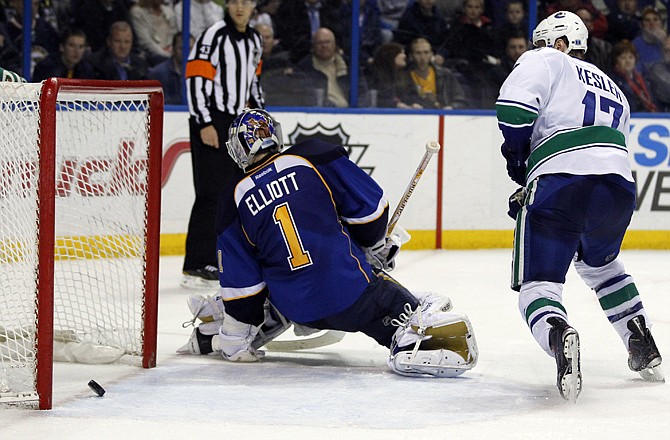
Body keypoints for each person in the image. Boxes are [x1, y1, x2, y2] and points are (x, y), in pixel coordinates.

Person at [177, 108, 479, 378]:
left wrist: (235, 332)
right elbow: (372, 212)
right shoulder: (313, 156)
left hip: (296, 308)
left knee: (272, 279)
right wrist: (373, 246)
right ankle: (410, 336)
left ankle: (215, 331)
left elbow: (243, 287)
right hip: (350, 295)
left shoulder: (232, 200)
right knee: (411, 313)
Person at [495, 11, 664, 401]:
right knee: (602, 265)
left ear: (558, 43)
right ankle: (641, 339)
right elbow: (607, 148)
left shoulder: (546, 59)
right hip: (618, 188)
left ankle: (559, 334)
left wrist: (519, 163)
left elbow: (515, 110)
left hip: (561, 180)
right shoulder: (615, 88)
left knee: (538, 284)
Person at [181, 0, 265, 289]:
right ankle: (195, 263)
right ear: (227, 5)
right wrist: (204, 122)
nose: (240, 7)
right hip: (211, 119)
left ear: (254, 6)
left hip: (237, 122)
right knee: (210, 192)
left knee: (234, 192)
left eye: (246, 2)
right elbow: (195, 79)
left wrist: (259, 116)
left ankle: (223, 257)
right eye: (235, 2)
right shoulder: (213, 35)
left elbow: (254, 81)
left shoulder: (254, 39)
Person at [295, 27, 369, 107]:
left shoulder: (350, 65)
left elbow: (362, 92)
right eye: (319, 43)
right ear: (313, 46)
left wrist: (354, 112)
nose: (324, 46)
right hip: (322, 115)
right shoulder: (305, 68)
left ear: (334, 44)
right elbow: (310, 98)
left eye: (327, 42)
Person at [406, 37, 469, 109]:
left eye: (426, 52)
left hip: (444, 115)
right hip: (416, 117)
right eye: (418, 53)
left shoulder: (445, 74)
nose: (422, 57)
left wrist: (451, 107)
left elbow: (460, 100)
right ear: (411, 56)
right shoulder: (403, 77)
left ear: (431, 54)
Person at [366, 41, 423, 108]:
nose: (404, 56)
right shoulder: (375, 75)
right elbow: (376, 99)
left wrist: (414, 103)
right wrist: (396, 105)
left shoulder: (404, 75)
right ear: (391, 55)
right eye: (401, 53)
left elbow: (413, 94)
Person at [609, 39, 657, 112]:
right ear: (616, 61)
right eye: (623, 58)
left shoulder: (642, 79)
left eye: (630, 57)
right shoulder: (612, 80)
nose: (628, 61)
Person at [147, 32, 193, 105]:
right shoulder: (158, 73)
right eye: (182, 48)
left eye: (190, 49)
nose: (186, 53)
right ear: (173, 49)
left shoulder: (197, 75)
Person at [129, 0, 178, 66]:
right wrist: (166, 55)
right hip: (151, 57)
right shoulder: (137, 12)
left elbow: (174, 34)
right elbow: (146, 42)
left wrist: (172, 52)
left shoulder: (169, 11)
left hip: (170, 53)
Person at [576, 7, 613, 71]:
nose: (583, 23)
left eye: (587, 20)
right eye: (580, 19)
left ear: (592, 25)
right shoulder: (563, 45)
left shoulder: (604, 47)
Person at [632, 6, 665, 75]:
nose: (652, 23)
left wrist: (664, 42)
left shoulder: (667, 43)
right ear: (642, 25)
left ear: (661, 24)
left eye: (655, 19)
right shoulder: (635, 44)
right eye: (647, 20)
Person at [646, 35, 670, 112]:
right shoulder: (656, 69)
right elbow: (667, 90)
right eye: (666, 50)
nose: (668, 53)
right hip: (663, 114)